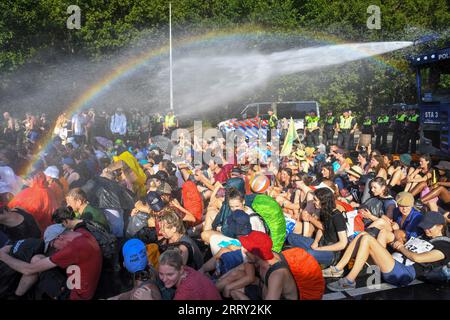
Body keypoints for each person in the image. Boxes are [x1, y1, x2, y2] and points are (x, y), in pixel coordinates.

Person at [325, 211, 450, 291]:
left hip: (403, 273)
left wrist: (401, 247)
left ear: (440, 226)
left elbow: (418, 258)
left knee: (368, 239)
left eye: (429, 226)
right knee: (363, 235)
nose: (426, 229)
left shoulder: (444, 245)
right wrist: (397, 239)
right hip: (392, 263)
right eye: (424, 226)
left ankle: (349, 281)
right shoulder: (424, 236)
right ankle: (337, 269)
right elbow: (405, 241)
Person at [0, 223, 102, 300]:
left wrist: (2, 256)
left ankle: (16, 296)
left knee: (36, 261)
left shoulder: (73, 249)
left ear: (60, 237)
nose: (55, 250)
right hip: (81, 280)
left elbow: (28, 270)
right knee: (38, 258)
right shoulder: (82, 232)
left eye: (53, 246)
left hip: (75, 295)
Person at [286, 188, 348, 267]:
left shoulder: (337, 216)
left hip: (332, 252)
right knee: (291, 237)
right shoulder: (324, 211)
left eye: (315, 200)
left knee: (308, 253)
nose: (313, 202)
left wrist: (320, 249)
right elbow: (322, 229)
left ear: (323, 201)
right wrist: (315, 242)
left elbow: (343, 244)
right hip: (321, 244)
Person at [230, 231, 298, 300]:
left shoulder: (277, 274)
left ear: (256, 254)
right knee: (234, 292)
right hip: (264, 291)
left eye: (248, 250)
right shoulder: (262, 260)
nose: (244, 251)